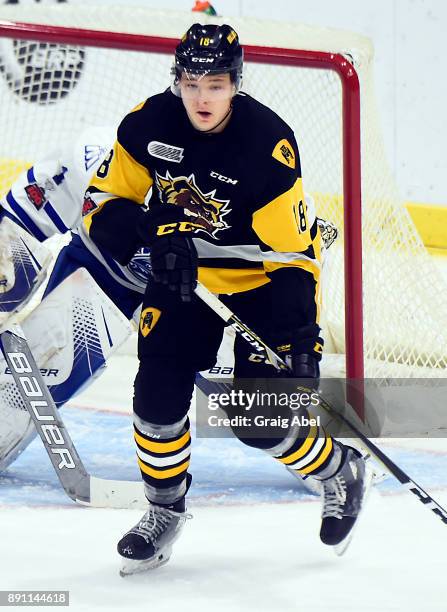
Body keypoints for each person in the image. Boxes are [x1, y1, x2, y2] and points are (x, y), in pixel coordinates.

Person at [82, 23, 371, 576]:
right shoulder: (147, 123)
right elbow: (101, 203)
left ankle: (338, 469)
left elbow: (293, 256)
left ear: (236, 82)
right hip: (184, 276)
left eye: (215, 84)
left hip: (264, 280)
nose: (202, 97)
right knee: (156, 396)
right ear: (178, 81)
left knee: (260, 422)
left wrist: (300, 337)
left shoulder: (266, 144)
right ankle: (164, 511)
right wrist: (151, 232)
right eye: (191, 83)